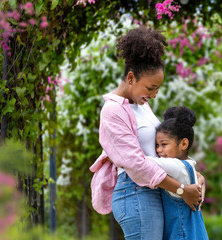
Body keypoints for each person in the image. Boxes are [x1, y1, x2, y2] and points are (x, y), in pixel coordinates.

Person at [89, 27, 204, 240]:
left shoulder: (141, 105)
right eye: (150, 88)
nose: (154, 94)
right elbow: (136, 164)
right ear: (131, 78)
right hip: (134, 193)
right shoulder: (113, 111)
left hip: (153, 190)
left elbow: (160, 150)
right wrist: (181, 189)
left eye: (157, 89)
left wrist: (192, 174)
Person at [150, 106, 209, 240]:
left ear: (183, 144)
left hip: (181, 234)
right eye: (157, 145)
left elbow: (141, 162)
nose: (158, 150)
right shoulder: (190, 163)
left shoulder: (175, 165)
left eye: (164, 144)